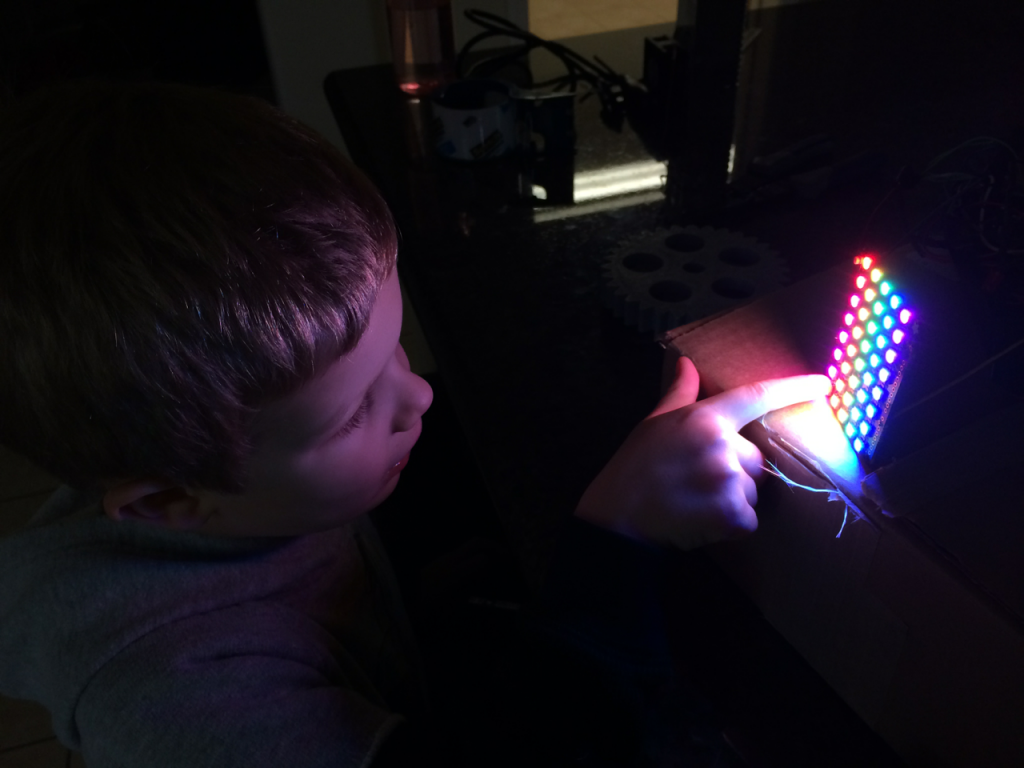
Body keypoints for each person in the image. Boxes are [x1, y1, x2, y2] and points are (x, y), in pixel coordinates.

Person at [0, 80, 829, 768]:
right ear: (166, 506)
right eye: (356, 407)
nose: (417, 396)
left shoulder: (224, 482)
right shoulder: (188, 712)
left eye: (395, 350)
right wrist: (616, 544)